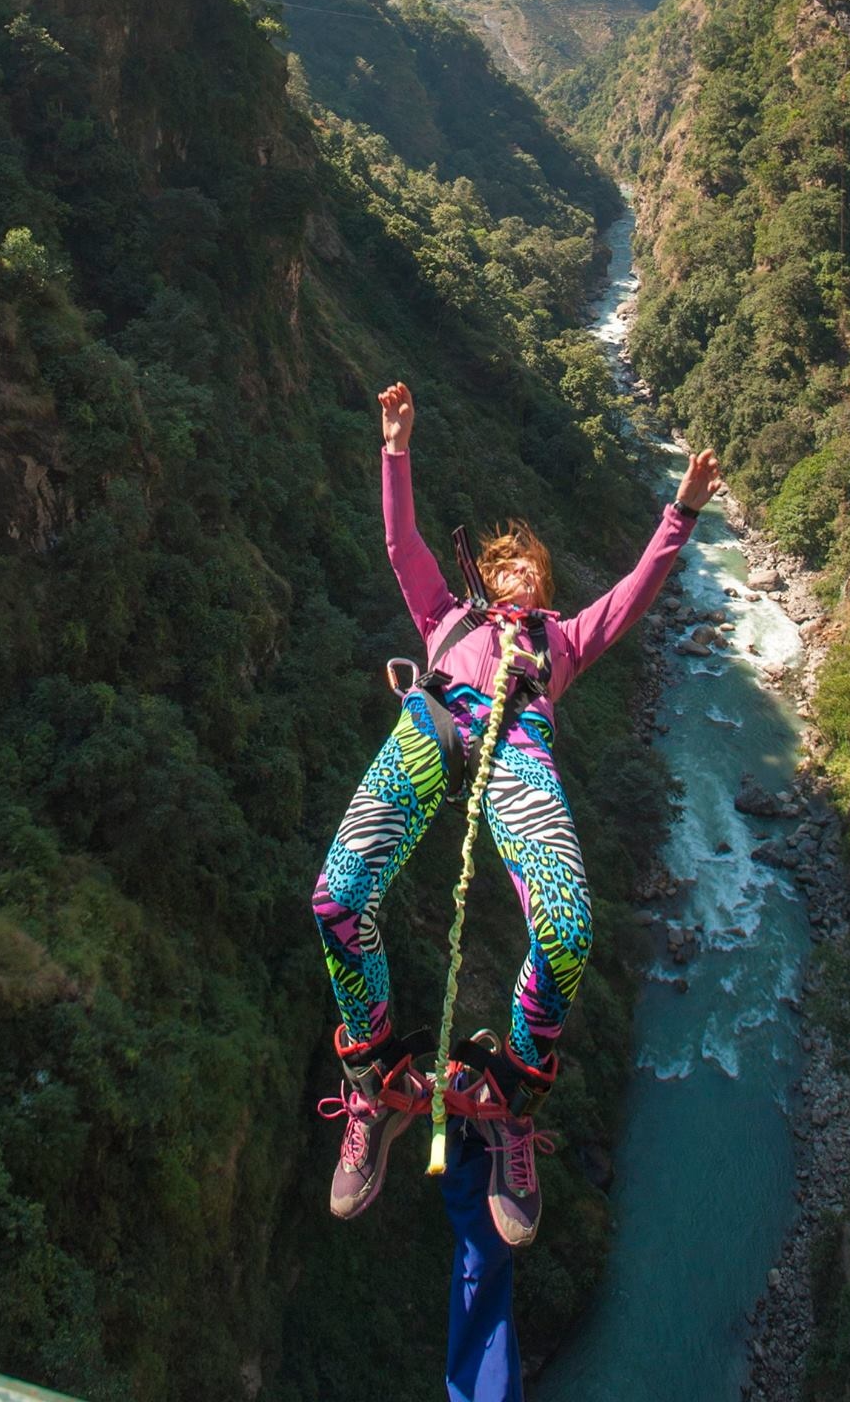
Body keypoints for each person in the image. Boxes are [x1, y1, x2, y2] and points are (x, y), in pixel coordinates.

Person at [312, 381, 722, 1247]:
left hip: (518, 749)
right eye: (505, 569)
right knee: (338, 900)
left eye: (531, 572)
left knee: (566, 931)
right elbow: (401, 542)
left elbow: (634, 593)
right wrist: (395, 447)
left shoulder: (559, 642)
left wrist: (678, 513)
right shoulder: (445, 616)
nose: (519, 577)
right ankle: (380, 1079)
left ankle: (508, 1099)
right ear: (482, 581)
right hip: (435, 720)